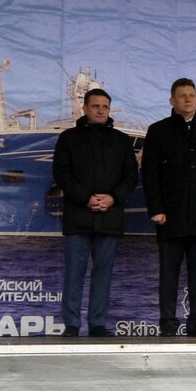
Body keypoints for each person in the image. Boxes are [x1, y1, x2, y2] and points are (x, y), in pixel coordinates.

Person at [52, 88, 138, 337]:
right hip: (79, 215)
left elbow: (130, 175)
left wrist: (112, 198)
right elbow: (62, 173)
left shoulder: (122, 140)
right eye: (96, 106)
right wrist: (86, 198)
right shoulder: (68, 138)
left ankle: (98, 324)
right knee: (74, 272)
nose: (101, 111)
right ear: (85, 108)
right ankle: (71, 325)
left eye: (105, 107)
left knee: (103, 273)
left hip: (109, 216)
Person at [141, 78, 196, 338]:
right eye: (182, 95)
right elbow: (150, 173)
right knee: (169, 274)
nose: (187, 99)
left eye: (191, 95)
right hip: (169, 215)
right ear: (172, 100)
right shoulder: (158, 130)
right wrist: (156, 209)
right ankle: (168, 324)